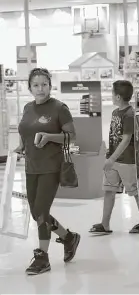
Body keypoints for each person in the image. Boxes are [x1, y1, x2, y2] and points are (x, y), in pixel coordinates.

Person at [15, 68, 80, 275]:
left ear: (50, 86)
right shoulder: (27, 108)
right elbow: (25, 133)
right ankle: (69, 237)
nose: (40, 89)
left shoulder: (59, 108)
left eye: (44, 84)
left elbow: (72, 136)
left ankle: (42, 257)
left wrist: (50, 136)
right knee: (36, 213)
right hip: (30, 167)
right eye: (36, 85)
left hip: (51, 167)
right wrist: (20, 147)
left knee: (41, 211)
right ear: (30, 88)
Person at [89, 80, 139, 235]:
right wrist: (110, 156)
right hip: (113, 160)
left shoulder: (130, 114)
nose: (111, 96)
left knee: (135, 192)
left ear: (118, 96)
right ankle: (104, 224)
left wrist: (112, 159)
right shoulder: (115, 113)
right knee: (109, 191)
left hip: (127, 161)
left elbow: (126, 139)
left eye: (112, 93)